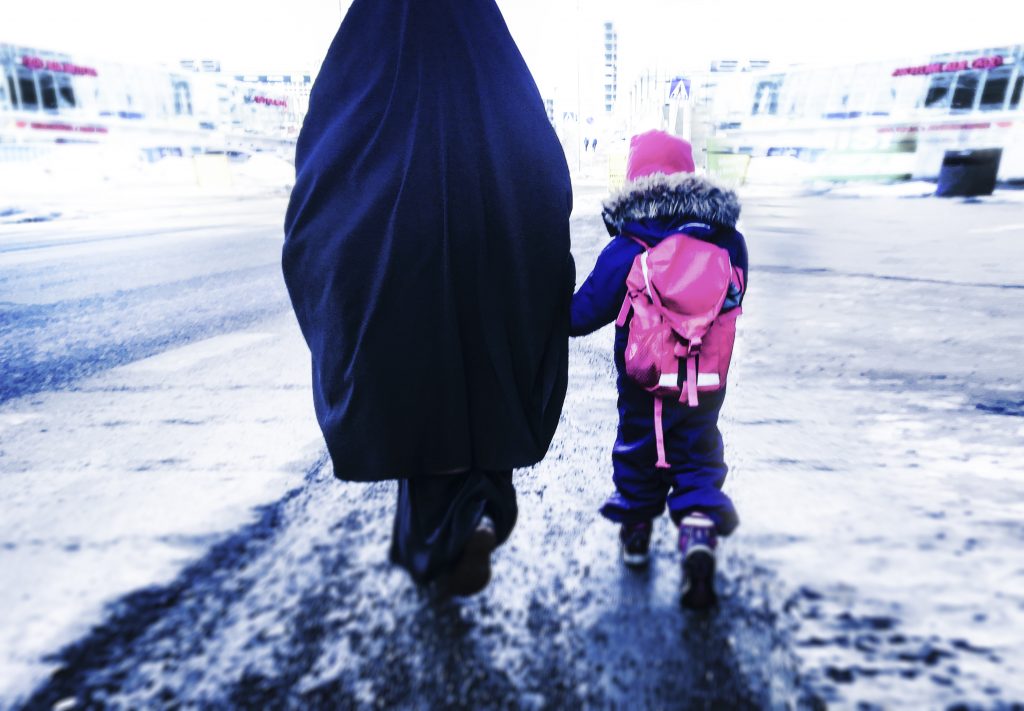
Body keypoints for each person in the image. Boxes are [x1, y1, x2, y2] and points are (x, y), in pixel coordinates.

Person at [282, 0, 574, 596]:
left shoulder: (365, 59)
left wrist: (341, 273)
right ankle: (480, 515)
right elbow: (543, 176)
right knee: (487, 402)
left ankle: (441, 542)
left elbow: (320, 189)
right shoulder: (494, 68)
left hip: (395, 274)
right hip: (491, 266)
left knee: (422, 423)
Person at [569, 130, 747, 608]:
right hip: (704, 379)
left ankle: (636, 533)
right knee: (699, 452)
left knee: (638, 451)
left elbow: (580, 316)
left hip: (644, 382)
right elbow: (734, 295)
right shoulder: (729, 241)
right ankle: (698, 535)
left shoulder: (629, 246)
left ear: (634, 181)